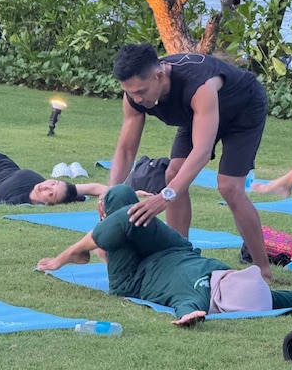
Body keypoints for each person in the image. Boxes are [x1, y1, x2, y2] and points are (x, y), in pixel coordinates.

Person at [38, 185, 292, 326]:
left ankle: (77, 252)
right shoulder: (264, 297)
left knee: (124, 217)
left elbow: (188, 308)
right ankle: (105, 241)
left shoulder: (198, 296)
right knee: (123, 195)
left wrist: (190, 316)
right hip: (173, 250)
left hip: (133, 277)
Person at [105, 43, 271, 281]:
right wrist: (111, 193)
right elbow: (126, 149)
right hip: (195, 115)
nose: (137, 99)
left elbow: (202, 151)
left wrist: (165, 196)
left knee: (229, 187)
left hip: (242, 110)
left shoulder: (199, 84)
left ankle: (262, 269)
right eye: (130, 93)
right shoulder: (134, 95)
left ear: (159, 75)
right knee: (173, 173)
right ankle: (178, 257)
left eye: (141, 91)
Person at [0, 147, 107, 205]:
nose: (46, 186)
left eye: (51, 193)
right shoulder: (66, 190)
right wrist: (108, 198)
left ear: (48, 204)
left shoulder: (20, 202)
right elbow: (95, 188)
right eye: (53, 183)